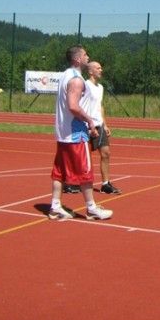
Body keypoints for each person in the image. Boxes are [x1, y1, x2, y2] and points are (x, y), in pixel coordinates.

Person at [48, 45, 112, 220]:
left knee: (59, 171)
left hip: (63, 133)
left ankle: (55, 206)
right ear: (77, 59)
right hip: (75, 134)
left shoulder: (65, 75)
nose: (87, 57)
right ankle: (91, 209)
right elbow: (73, 106)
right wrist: (90, 121)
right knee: (85, 171)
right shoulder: (76, 80)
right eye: (85, 55)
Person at [82, 61, 121, 194]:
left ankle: (105, 184)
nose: (101, 70)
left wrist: (105, 124)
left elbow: (100, 106)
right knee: (82, 156)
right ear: (90, 71)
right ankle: (70, 181)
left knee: (106, 153)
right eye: (98, 68)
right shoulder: (85, 85)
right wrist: (86, 123)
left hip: (99, 125)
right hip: (86, 126)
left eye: (101, 68)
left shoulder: (100, 88)